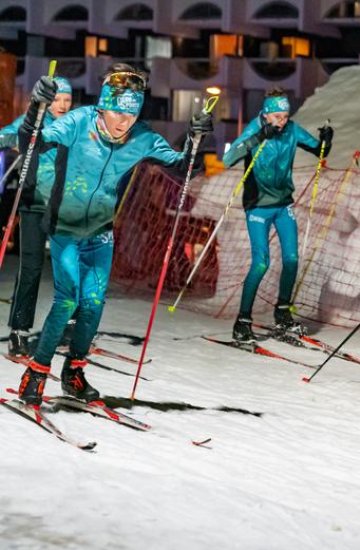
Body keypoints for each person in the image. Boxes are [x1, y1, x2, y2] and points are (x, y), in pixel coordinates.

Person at [16, 63, 213, 405]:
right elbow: (33, 141)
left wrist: (196, 139)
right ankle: (36, 372)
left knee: (92, 304)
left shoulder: (142, 137)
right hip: (65, 228)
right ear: (103, 105)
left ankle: (74, 372)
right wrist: (36, 107)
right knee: (67, 299)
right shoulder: (78, 122)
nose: (124, 122)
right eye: (117, 112)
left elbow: (183, 166)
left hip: (101, 234)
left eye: (131, 114)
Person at [223, 87, 332, 342]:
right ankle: (242, 320)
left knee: (292, 259)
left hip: (283, 204)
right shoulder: (255, 129)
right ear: (266, 114)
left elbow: (320, 151)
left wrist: (326, 140)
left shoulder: (291, 129)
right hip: (258, 205)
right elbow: (228, 158)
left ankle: (282, 313)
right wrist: (260, 135)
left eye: (285, 116)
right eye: (278, 117)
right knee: (261, 262)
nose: (282, 121)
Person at [1, 76, 75, 357]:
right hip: (32, 204)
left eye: (67, 100)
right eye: (57, 100)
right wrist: (14, 138)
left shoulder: (74, 126)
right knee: (30, 269)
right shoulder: (33, 120)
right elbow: (7, 135)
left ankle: (68, 328)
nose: (63, 105)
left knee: (68, 268)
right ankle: (19, 331)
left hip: (64, 207)